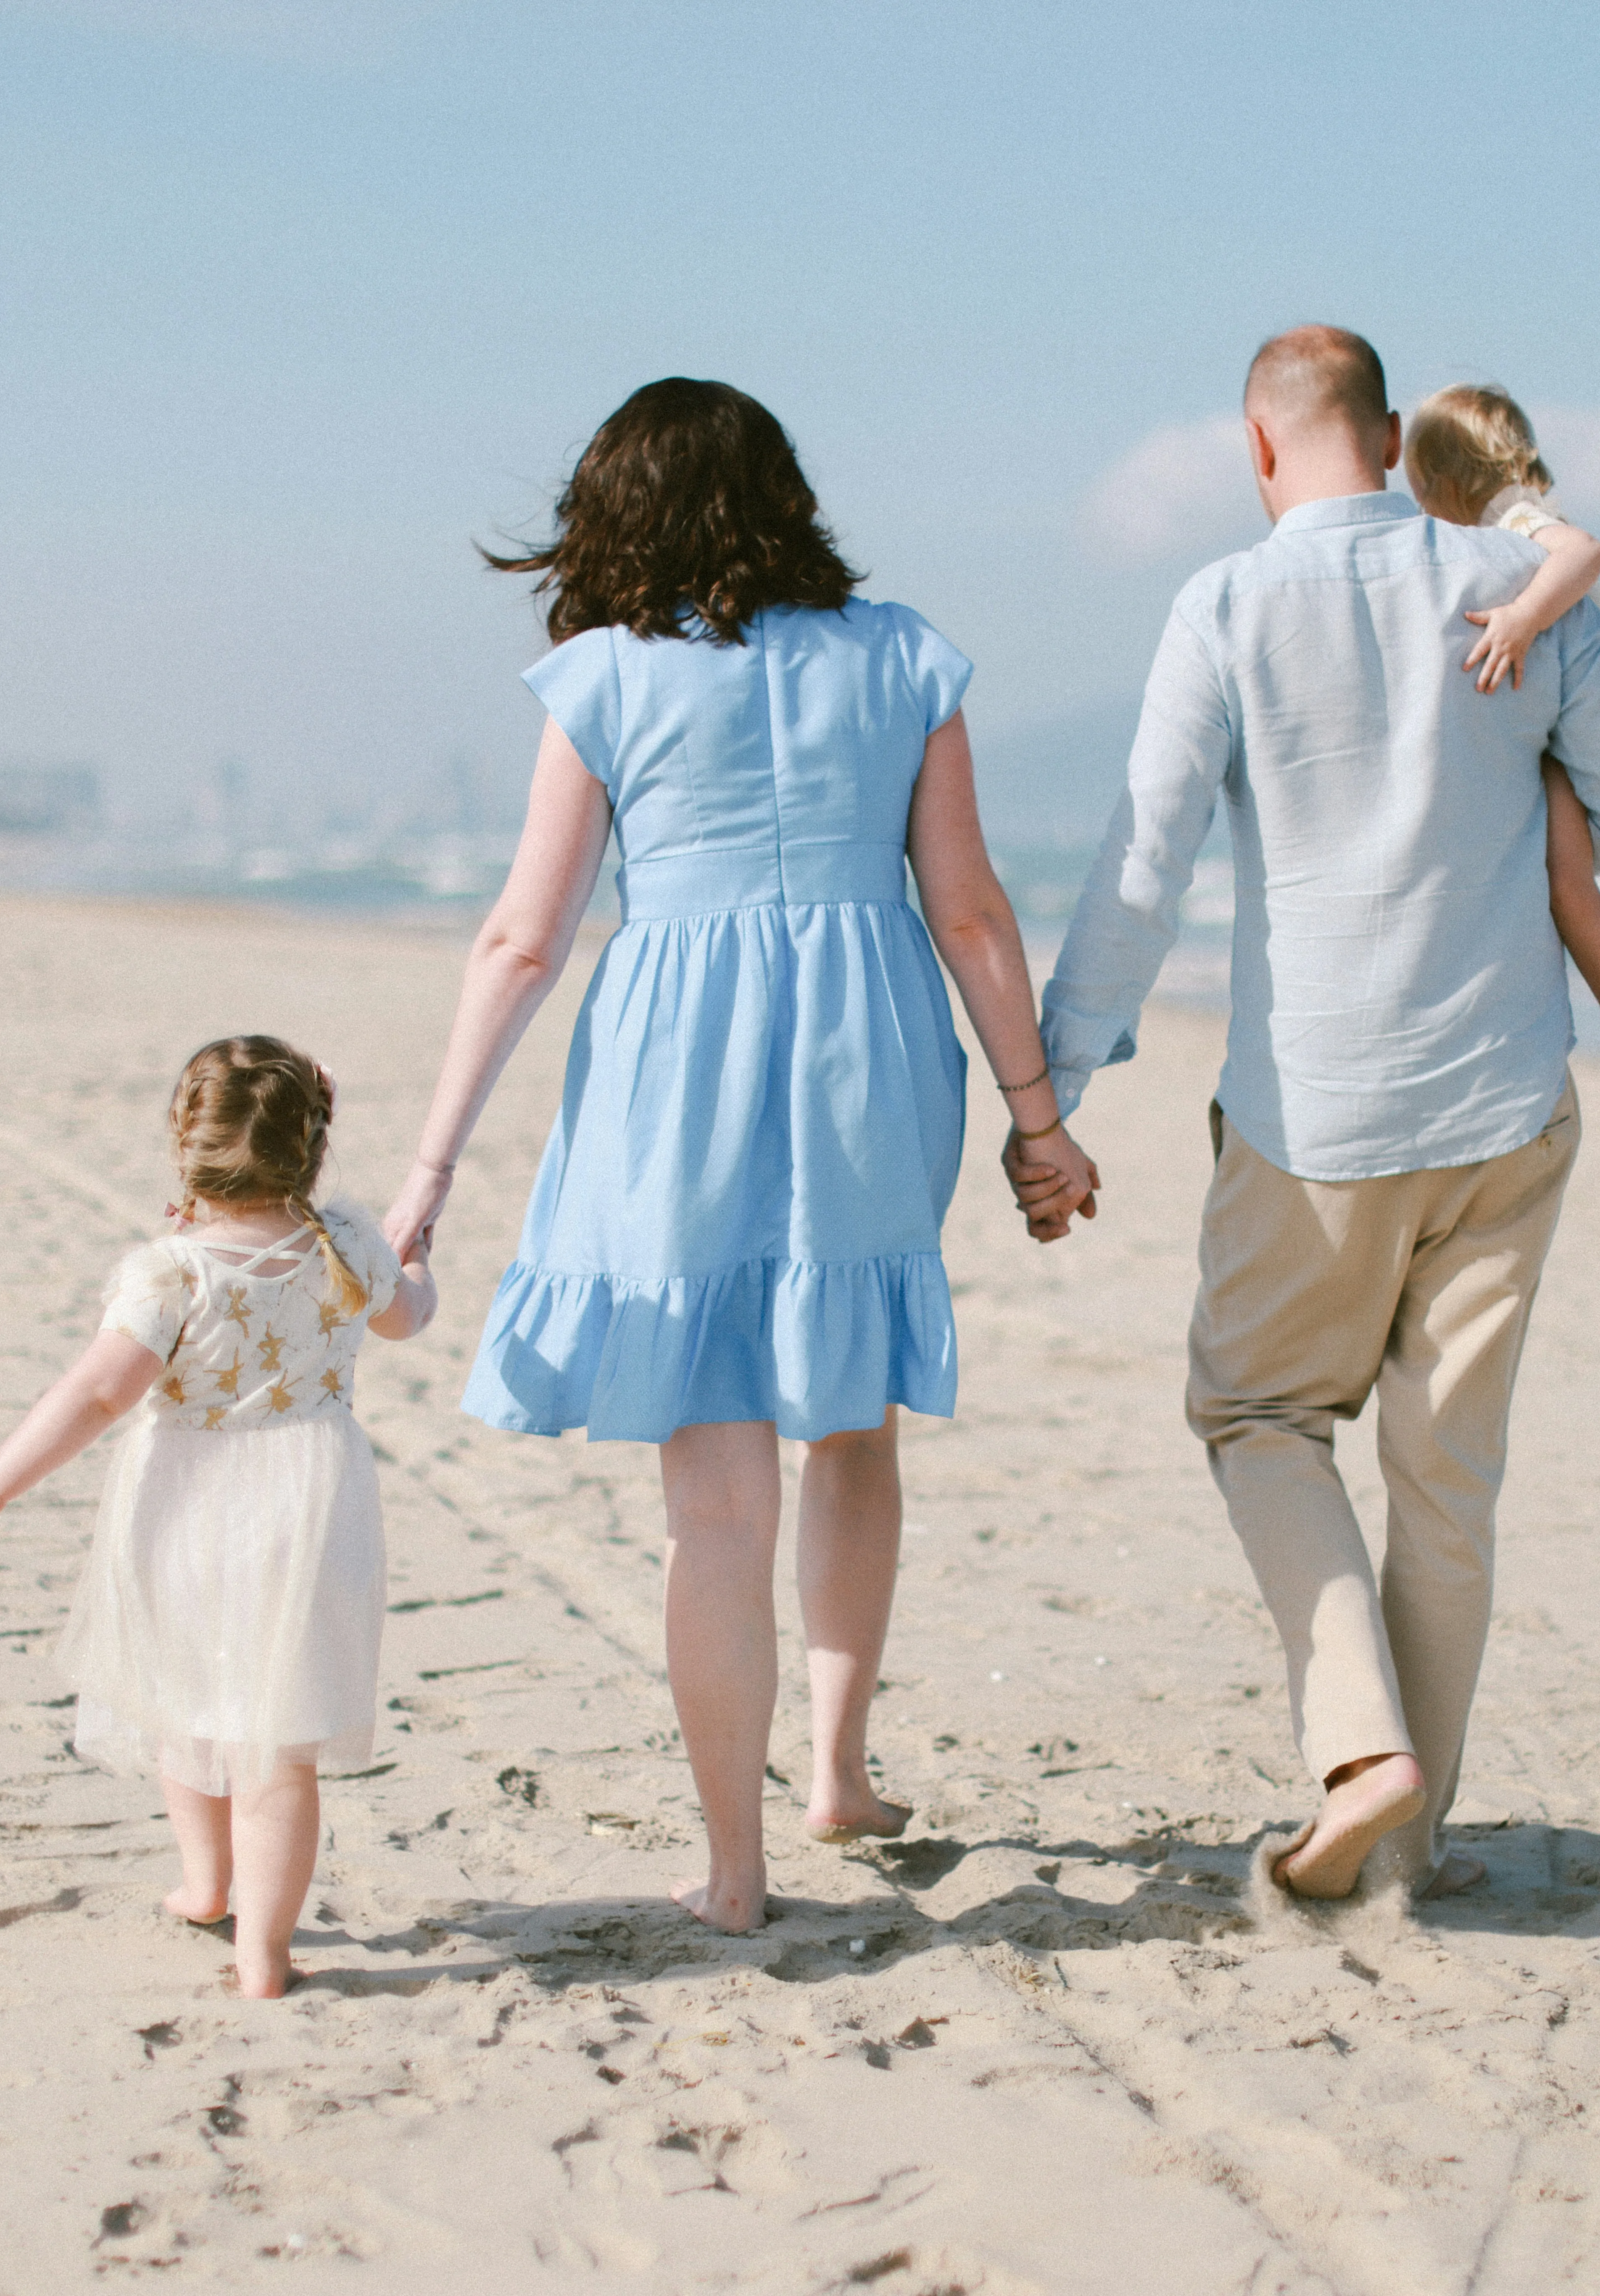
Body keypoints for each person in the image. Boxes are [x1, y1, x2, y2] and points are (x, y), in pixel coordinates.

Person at [387, 378, 1094, 1936]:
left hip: (673, 1063)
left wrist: (432, 1166)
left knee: (713, 1498)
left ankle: (735, 1868)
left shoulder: (604, 680)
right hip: (869, 1051)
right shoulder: (904, 656)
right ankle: (838, 1768)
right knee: (851, 1416)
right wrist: (1038, 1119)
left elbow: (525, 937)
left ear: (615, 512)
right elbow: (970, 913)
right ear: (784, 498)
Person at [1029, 326, 1600, 1901]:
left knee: (1261, 1416)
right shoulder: (1512, 589)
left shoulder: (1225, 604)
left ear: (1259, 450)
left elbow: (1146, 861)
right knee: (1448, 1481)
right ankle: (1414, 1844)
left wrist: (1051, 1083)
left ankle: (1358, 1749)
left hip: (1311, 1113)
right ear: (1392, 441)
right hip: (1504, 1100)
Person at [0, 1037, 435, 1997]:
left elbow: (93, 1396)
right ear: (310, 1146)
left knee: (186, 1700)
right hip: (314, 1510)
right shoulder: (349, 1238)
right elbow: (407, 1316)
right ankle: (264, 1954)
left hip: (190, 1511)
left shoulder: (169, 1271)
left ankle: (208, 1884)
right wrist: (416, 1264)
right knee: (279, 1744)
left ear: (187, 1148)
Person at [1405, 382, 1600, 1097]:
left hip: (1572, 736)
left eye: (1419, 494)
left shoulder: (1514, 518)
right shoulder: (1500, 522)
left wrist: (1522, 616)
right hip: (1558, 725)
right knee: (1563, 889)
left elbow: (1585, 553)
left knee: (1570, 889)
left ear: (1448, 482)